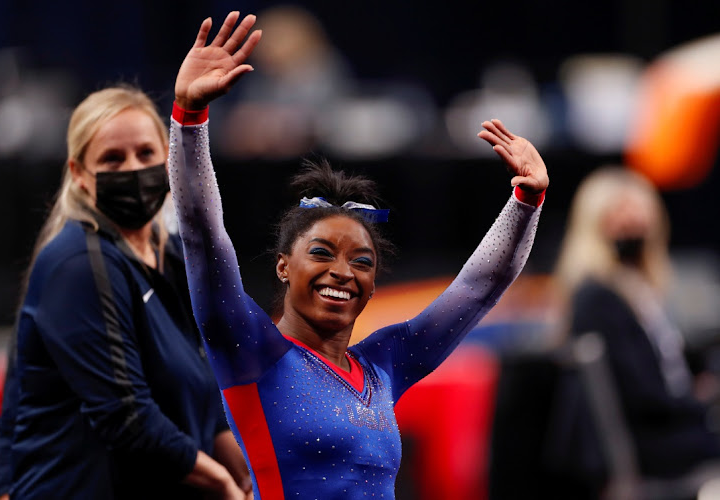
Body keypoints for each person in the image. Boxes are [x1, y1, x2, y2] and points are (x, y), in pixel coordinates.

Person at [168, 11, 548, 499]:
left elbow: (477, 288)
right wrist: (189, 119)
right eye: (322, 253)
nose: (342, 272)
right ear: (283, 265)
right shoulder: (253, 351)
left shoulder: (384, 364)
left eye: (362, 261)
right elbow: (202, 234)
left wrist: (526, 202)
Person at [0, 85, 251, 499]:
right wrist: (219, 481)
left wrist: (233, 454)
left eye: (145, 153)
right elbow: (127, 416)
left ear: (166, 157)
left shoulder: (173, 256)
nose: (132, 169)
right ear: (78, 174)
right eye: (112, 158)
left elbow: (197, 378)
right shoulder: (77, 264)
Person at [553, 166, 720, 497]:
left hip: (668, 430)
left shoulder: (641, 288)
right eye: (619, 215)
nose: (633, 225)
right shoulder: (596, 296)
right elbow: (640, 393)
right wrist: (698, 401)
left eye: (640, 214)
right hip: (650, 445)